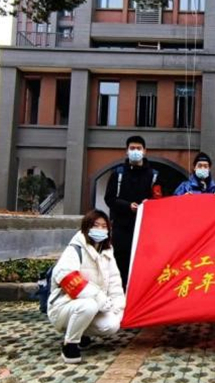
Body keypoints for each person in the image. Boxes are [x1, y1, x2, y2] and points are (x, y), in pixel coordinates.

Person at [48, 209, 125, 364]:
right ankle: (70, 344)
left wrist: (117, 308)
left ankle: (82, 332)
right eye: (96, 225)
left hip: (93, 307)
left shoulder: (107, 252)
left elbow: (115, 282)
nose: (100, 229)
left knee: (111, 325)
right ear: (86, 227)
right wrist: (99, 297)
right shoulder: (75, 249)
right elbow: (66, 276)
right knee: (89, 305)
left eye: (104, 226)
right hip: (64, 306)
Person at [104, 135, 162, 289]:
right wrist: (127, 206)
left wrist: (149, 204)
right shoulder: (118, 173)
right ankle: (120, 294)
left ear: (145, 151)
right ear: (127, 151)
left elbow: (159, 199)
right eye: (132, 148)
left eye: (138, 148)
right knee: (120, 264)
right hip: (121, 228)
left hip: (145, 229)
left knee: (144, 264)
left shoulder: (154, 175)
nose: (135, 151)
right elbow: (109, 199)